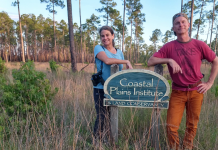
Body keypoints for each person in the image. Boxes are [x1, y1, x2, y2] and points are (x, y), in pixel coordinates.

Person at [147, 13, 218, 149]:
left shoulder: (199, 44)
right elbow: (150, 61)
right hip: (178, 91)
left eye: (183, 22)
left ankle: (188, 147)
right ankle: (175, 148)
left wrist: (209, 83)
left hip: (196, 90)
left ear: (188, 25)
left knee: (192, 126)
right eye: (177, 23)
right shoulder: (169, 47)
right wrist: (169, 60)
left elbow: (215, 60)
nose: (181, 25)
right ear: (173, 28)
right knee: (171, 127)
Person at [93, 26, 133, 141]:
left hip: (115, 90)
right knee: (101, 116)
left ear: (113, 36)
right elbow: (107, 61)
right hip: (100, 89)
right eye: (102, 36)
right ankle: (97, 142)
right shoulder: (99, 48)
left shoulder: (119, 52)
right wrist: (126, 61)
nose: (105, 38)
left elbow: (119, 72)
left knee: (112, 116)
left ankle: (111, 140)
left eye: (107, 35)